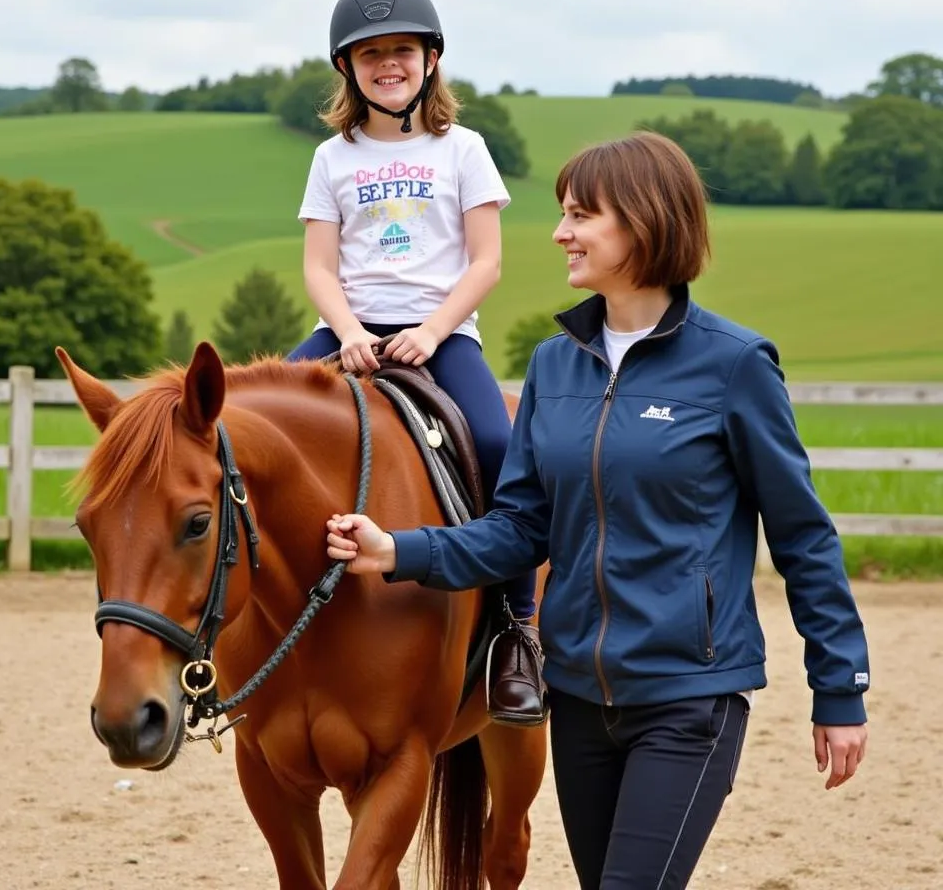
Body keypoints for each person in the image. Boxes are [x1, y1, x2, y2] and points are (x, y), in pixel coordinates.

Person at [325, 132, 871, 889]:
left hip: (689, 696)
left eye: (582, 215)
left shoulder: (735, 365)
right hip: (577, 697)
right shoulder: (555, 364)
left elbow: (804, 536)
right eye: (562, 214)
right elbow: (520, 528)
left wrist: (838, 687)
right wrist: (398, 551)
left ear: (644, 222)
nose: (560, 233)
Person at [286, 0, 546, 726]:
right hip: (353, 334)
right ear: (347, 69)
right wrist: (349, 333)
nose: (387, 64)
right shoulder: (333, 158)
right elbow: (317, 266)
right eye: (370, 55)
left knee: (501, 443)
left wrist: (432, 330)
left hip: (440, 335)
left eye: (401, 50)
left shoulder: (463, 148)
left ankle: (515, 633)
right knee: (245, 432)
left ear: (430, 59)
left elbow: (486, 261)